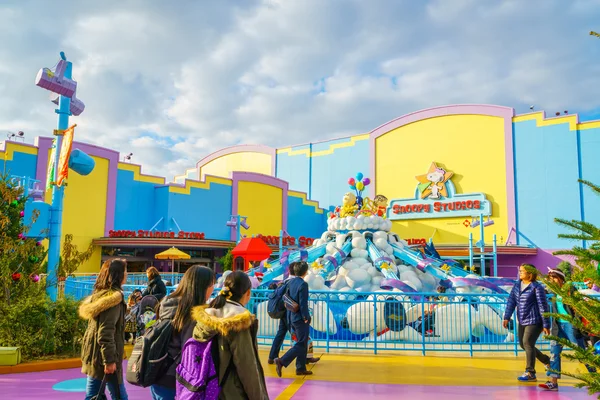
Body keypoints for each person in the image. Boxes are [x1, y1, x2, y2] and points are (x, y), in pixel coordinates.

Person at [192, 271, 269, 399]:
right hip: (231, 392)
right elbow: (247, 367)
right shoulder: (239, 321)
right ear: (248, 293)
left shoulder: (206, 315)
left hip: (203, 388)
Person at [150, 265, 215, 400]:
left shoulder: (166, 303)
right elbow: (190, 351)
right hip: (176, 379)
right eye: (212, 284)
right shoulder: (193, 313)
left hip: (156, 371)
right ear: (203, 287)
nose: (213, 288)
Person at [79, 259, 129, 400]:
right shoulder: (113, 299)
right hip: (104, 358)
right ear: (118, 275)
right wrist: (109, 360)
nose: (127, 275)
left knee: (93, 395)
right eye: (125, 271)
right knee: (119, 396)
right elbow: (106, 332)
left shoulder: (100, 296)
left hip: (95, 355)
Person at [539, 268, 596, 391]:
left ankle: (595, 377)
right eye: (550, 279)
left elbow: (578, 309)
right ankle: (553, 382)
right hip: (557, 326)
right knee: (554, 353)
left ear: (560, 278)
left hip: (570, 325)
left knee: (581, 353)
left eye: (554, 278)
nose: (551, 281)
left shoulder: (570, 290)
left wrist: (576, 325)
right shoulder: (553, 291)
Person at [503, 264, 551, 382]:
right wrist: (507, 316)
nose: (520, 272)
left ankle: (530, 372)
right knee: (523, 345)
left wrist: (546, 324)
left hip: (535, 320)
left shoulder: (536, 287)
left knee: (528, 343)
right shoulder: (517, 286)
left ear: (529, 273)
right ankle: (546, 360)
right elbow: (511, 302)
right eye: (520, 270)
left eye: (522, 271)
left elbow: (543, 306)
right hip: (522, 319)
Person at [274, 261, 313, 376]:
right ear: (305, 272)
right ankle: (282, 361)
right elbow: (303, 303)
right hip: (300, 318)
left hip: (291, 316)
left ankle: (300, 367)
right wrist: (306, 317)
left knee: (301, 341)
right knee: (301, 343)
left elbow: (287, 299)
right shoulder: (303, 284)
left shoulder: (290, 282)